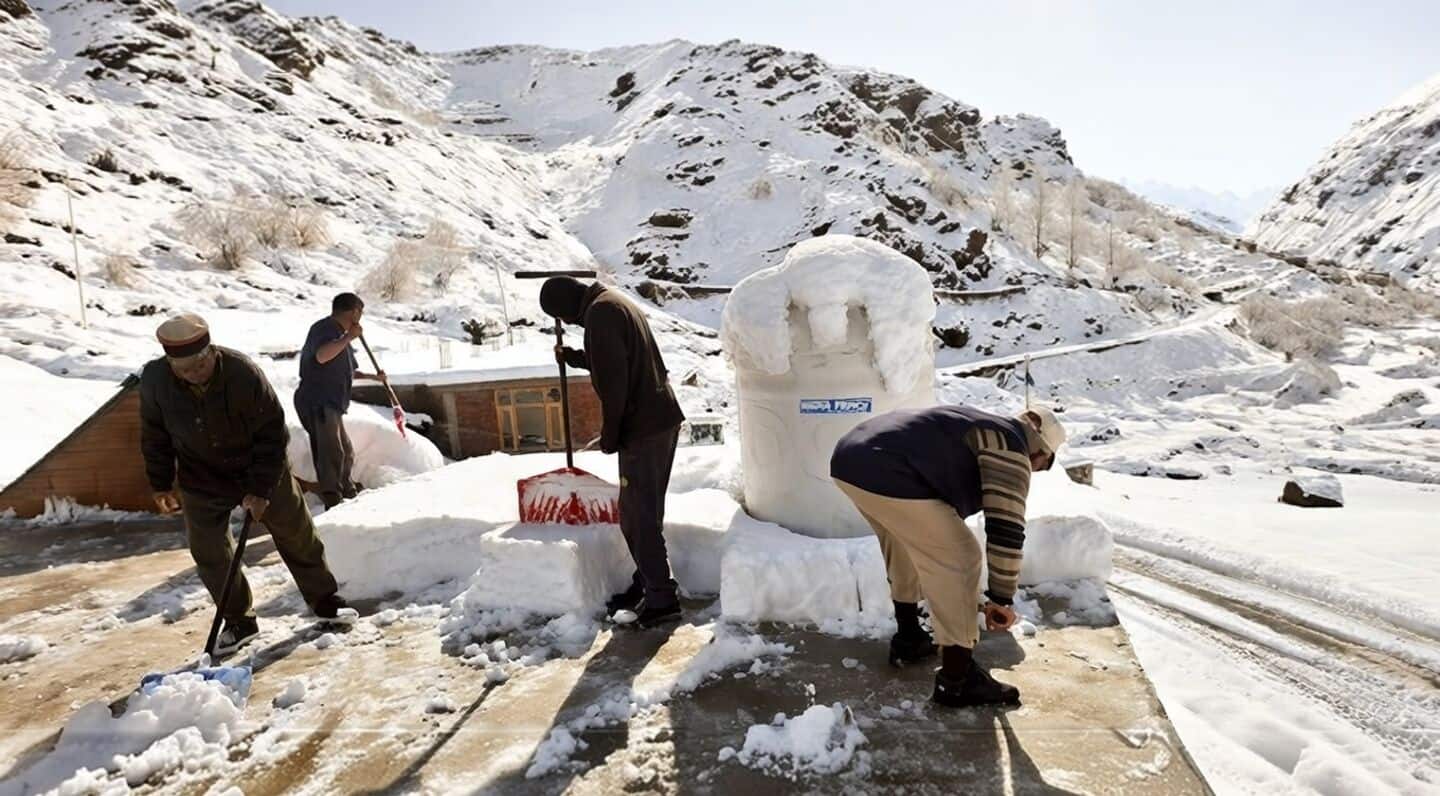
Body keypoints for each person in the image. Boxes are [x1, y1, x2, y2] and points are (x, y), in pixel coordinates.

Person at [140, 313, 351, 656]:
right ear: (169, 362)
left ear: (211, 351)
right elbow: (154, 433)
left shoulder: (242, 373)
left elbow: (272, 434)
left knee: (295, 532)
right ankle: (239, 620)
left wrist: (261, 489)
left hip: (258, 464)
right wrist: (161, 483)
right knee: (208, 550)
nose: (194, 372)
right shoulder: (154, 381)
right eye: (184, 368)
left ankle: (325, 601)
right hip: (201, 475)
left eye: (200, 363)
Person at [829, 404, 1067, 708]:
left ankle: (910, 638)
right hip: (889, 468)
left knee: (904, 540)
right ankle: (958, 680)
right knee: (962, 556)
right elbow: (1005, 528)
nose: (1035, 471)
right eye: (1044, 466)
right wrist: (1001, 598)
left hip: (851, 459)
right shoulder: (1012, 448)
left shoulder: (981, 424)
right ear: (1040, 453)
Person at [539, 277, 687, 628]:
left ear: (567, 308)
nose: (572, 325)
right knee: (641, 511)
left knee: (637, 515)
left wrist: (611, 435)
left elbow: (615, 385)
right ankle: (649, 582)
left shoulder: (600, 314)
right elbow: (616, 359)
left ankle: (661, 598)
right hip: (659, 419)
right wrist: (577, 357)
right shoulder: (612, 302)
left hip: (644, 429)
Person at [294, 293, 386, 508]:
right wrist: (348, 338)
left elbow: (349, 371)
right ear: (354, 311)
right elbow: (321, 356)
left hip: (332, 403)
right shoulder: (324, 329)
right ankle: (333, 499)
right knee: (331, 452)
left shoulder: (340, 335)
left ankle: (347, 492)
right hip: (317, 400)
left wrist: (375, 377)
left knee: (345, 451)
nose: (360, 317)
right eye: (360, 313)